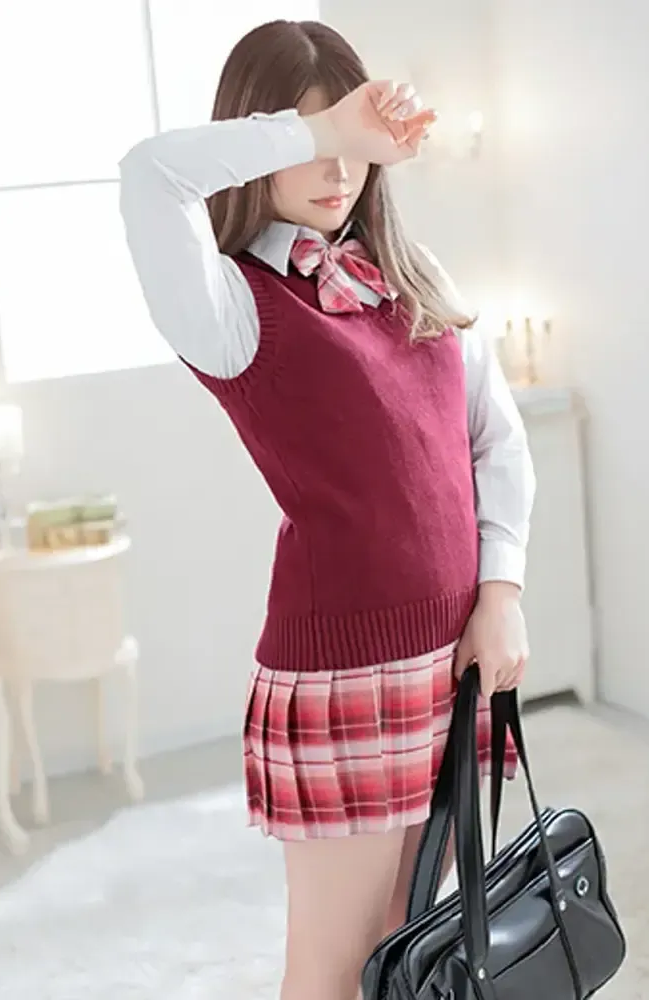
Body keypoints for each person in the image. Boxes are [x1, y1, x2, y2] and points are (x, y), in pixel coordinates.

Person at [119, 18, 535, 1000]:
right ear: (262, 136)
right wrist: (326, 126)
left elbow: (497, 443)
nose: (340, 164)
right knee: (333, 969)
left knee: (411, 954)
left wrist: (502, 593)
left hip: (454, 659)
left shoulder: (411, 276)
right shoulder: (232, 306)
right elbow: (149, 173)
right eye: (315, 136)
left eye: (358, 138)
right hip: (345, 675)